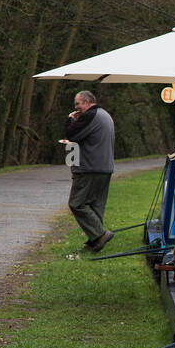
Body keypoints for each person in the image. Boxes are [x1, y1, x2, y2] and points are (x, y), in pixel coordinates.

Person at [63, 90, 115, 252]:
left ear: (87, 102)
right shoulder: (104, 114)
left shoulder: (89, 115)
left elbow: (71, 134)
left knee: (77, 203)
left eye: (78, 104)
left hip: (89, 168)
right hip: (105, 167)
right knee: (95, 205)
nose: (76, 107)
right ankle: (95, 242)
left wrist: (70, 120)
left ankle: (100, 234)